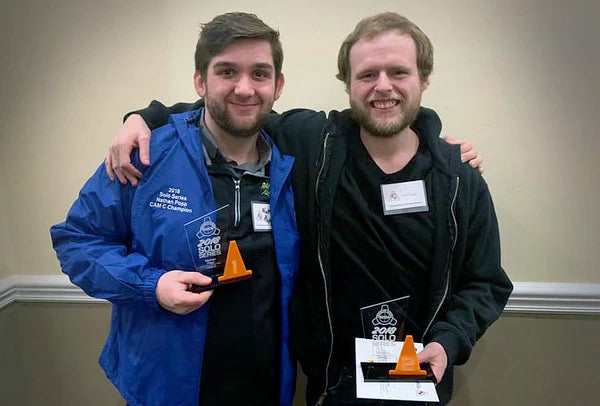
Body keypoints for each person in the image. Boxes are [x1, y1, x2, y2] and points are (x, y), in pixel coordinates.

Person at [106, 12, 512, 406]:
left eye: (399, 72)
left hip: (417, 377)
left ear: (423, 79)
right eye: (367, 75)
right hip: (332, 385)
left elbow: (486, 282)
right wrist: (144, 117)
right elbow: (233, 105)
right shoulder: (314, 144)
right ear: (348, 84)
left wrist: (450, 340)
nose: (383, 86)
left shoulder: (458, 179)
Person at [50, 12, 300, 406]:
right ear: (200, 81)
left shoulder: (295, 162)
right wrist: (151, 286)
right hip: (166, 387)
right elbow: (76, 242)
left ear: (278, 85)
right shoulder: (145, 155)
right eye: (227, 72)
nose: (244, 88)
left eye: (259, 74)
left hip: (266, 386)